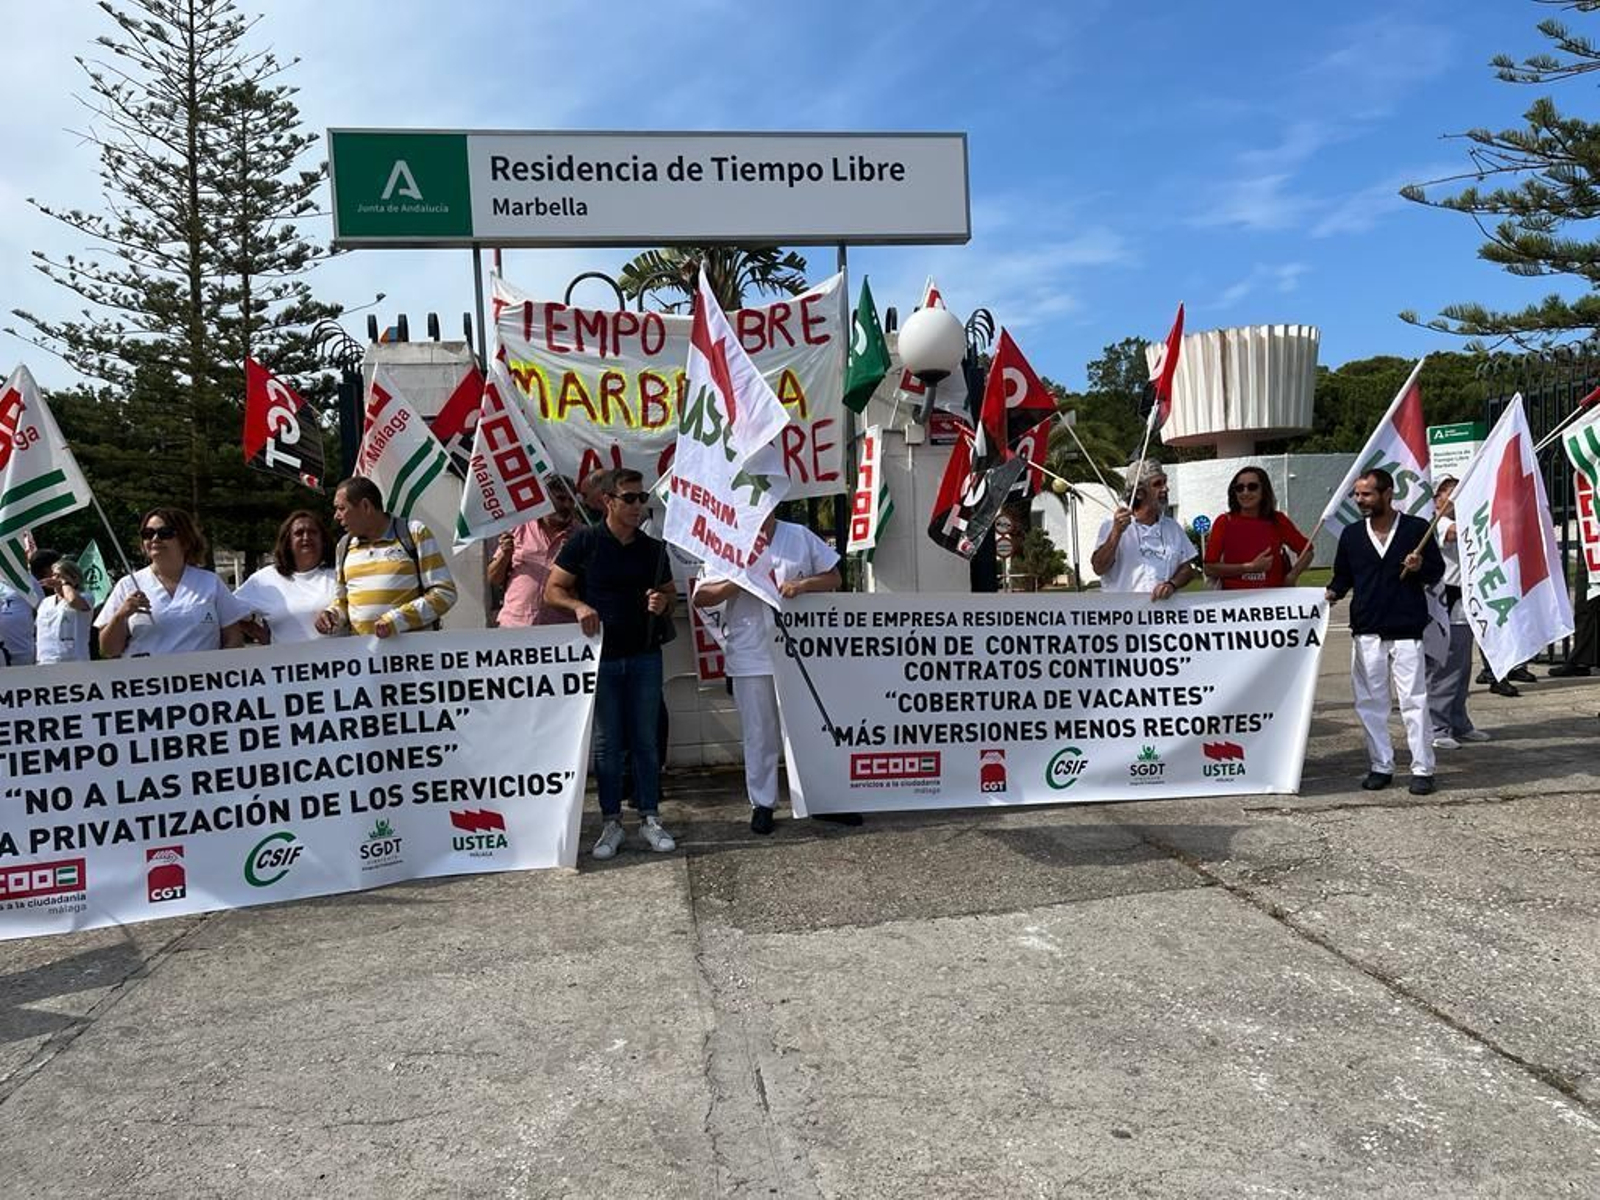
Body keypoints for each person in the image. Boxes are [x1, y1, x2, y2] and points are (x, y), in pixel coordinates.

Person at [545, 467, 677, 859]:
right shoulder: (584, 542)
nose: (638, 506)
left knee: (646, 742)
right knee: (607, 745)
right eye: (630, 498)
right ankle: (610, 823)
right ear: (608, 501)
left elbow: (669, 593)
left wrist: (663, 602)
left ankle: (650, 818)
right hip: (601, 659)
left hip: (645, 656)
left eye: (642, 499)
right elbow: (552, 589)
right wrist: (579, 604)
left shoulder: (653, 549)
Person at [693, 514, 841, 835]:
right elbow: (702, 596)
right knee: (760, 733)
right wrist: (741, 580)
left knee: (807, 729)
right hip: (751, 653)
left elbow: (834, 578)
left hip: (800, 651)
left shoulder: (798, 535)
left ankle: (821, 800)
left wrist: (803, 585)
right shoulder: (728, 540)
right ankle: (763, 803)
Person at [1325, 468, 1446, 795]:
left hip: (1407, 629)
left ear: (1387, 493)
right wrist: (1329, 593)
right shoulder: (1351, 535)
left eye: (1366, 494)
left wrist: (1421, 567)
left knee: (1414, 701)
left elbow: (1437, 571)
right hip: (1367, 630)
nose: (1359, 500)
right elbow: (1343, 577)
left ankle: (1423, 768)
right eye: (1357, 494)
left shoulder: (1415, 530)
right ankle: (1381, 764)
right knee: (1370, 702)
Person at [96, 507, 250, 658]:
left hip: (200, 680)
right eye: (148, 534)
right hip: (146, 680)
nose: (155, 539)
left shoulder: (210, 583)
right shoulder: (128, 585)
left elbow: (233, 639)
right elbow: (108, 651)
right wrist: (120, 616)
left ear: (186, 541)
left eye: (165, 533)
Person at [315, 477, 456, 638]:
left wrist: (397, 620)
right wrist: (332, 616)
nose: (336, 516)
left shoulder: (414, 532)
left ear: (365, 506)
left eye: (341, 508)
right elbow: (342, 602)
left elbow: (444, 593)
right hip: (364, 654)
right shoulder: (344, 545)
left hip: (413, 655)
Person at [1425, 477, 1490, 749]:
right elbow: (1453, 534)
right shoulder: (1435, 522)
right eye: (1453, 495)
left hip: (1467, 599)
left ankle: (1458, 721)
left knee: (1462, 667)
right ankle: (1437, 727)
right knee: (1444, 666)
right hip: (1444, 600)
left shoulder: (1466, 518)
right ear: (1439, 496)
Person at [1090, 460, 1198, 599]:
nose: (1166, 489)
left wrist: (1172, 584)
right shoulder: (1111, 524)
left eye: (1165, 482)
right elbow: (1099, 568)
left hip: (1163, 615)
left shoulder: (1173, 527)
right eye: (1158, 484)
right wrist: (1116, 533)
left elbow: (1187, 569)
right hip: (1125, 615)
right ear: (1139, 493)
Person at [234, 511, 337, 645]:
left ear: (322, 539)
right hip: (287, 663)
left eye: (312, 532)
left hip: (340, 663)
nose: (306, 537)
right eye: (299, 533)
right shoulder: (265, 579)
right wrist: (261, 635)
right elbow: (228, 612)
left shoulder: (339, 573)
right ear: (288, 541)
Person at [1203, 466, 1314, 589]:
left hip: (1273, 599)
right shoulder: (1224, 522)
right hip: (1234, 601)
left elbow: (1307, 552)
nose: (1245, 493)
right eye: (1239, 488)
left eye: (1252, 487)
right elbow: (1209, 568)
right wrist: (1250, 568)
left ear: (1263, 490)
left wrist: (1291, 576)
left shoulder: (1277, 520)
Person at [488, 477, 579, 627]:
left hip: (561, 630)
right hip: (515, 625)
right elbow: (493, 579)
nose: (567, 505)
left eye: (571, 500)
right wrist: (505, 555)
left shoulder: (582, 535)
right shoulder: (519, 528)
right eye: (561, 498)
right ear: (544, 499)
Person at [35, 556, 92, 664]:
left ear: (74, 579)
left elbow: (72, 601)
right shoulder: (45, 602)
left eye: (59, 576)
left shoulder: (85, 597)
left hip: (73, 662)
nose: (54, 579)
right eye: (53, 575)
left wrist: (65, 583)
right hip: (45, 661)